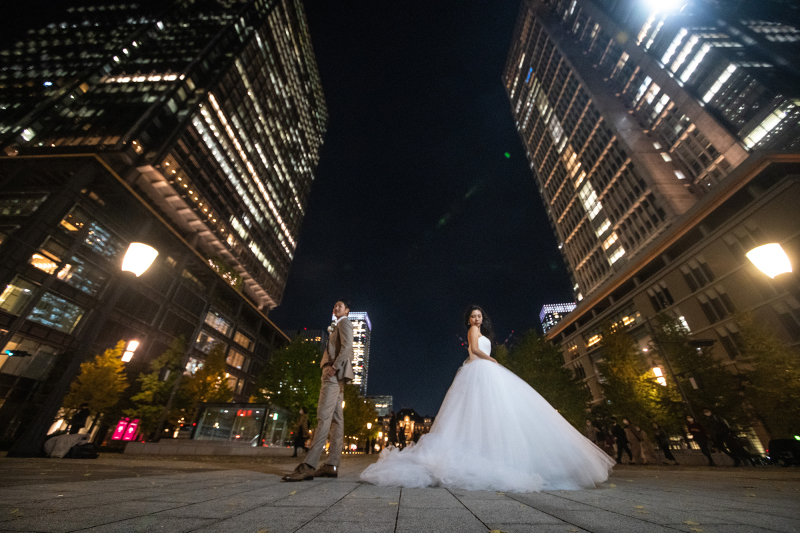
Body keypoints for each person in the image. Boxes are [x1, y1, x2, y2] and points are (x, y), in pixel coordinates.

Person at [359, 305, 615, 492]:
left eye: (479, 316)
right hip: (479, 370)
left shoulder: (483, 332)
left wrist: (490, 360)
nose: (476, 319)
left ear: (483, 318)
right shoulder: (473, 331)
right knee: (484, 411)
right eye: (473, 316)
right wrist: (490, 359)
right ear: (469, 320)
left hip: (487, 371)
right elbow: (472, 350)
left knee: (493, 412)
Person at [283, 300, 355, 481]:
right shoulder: (339, 324)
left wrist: (334, 367)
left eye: (340, 306)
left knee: (323, 416)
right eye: (335, 305)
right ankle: (331, 465)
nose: (336, 307)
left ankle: (309, 465)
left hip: (333, 374)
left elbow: (347, 346)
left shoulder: (344, 322)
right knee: (337, 420)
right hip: (337, 377)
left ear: (347, 310)